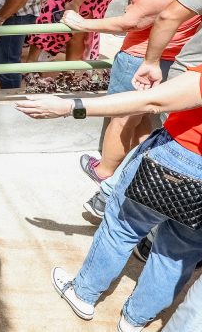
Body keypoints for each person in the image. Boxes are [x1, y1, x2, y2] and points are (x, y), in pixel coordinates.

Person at [15, 65, 202, 331]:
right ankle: (135, 319)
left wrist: (70, 107)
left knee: (122, 227)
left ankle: (83, 293)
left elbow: (152, 101)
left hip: (177, 156)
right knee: (178, 254)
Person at [62, 0, 202, 215]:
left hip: (142, 56)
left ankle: (106, 175)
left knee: (122, 117)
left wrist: (82, 21)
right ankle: (128, 172)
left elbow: (135, 20)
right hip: (174, 56)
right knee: (143, 122)